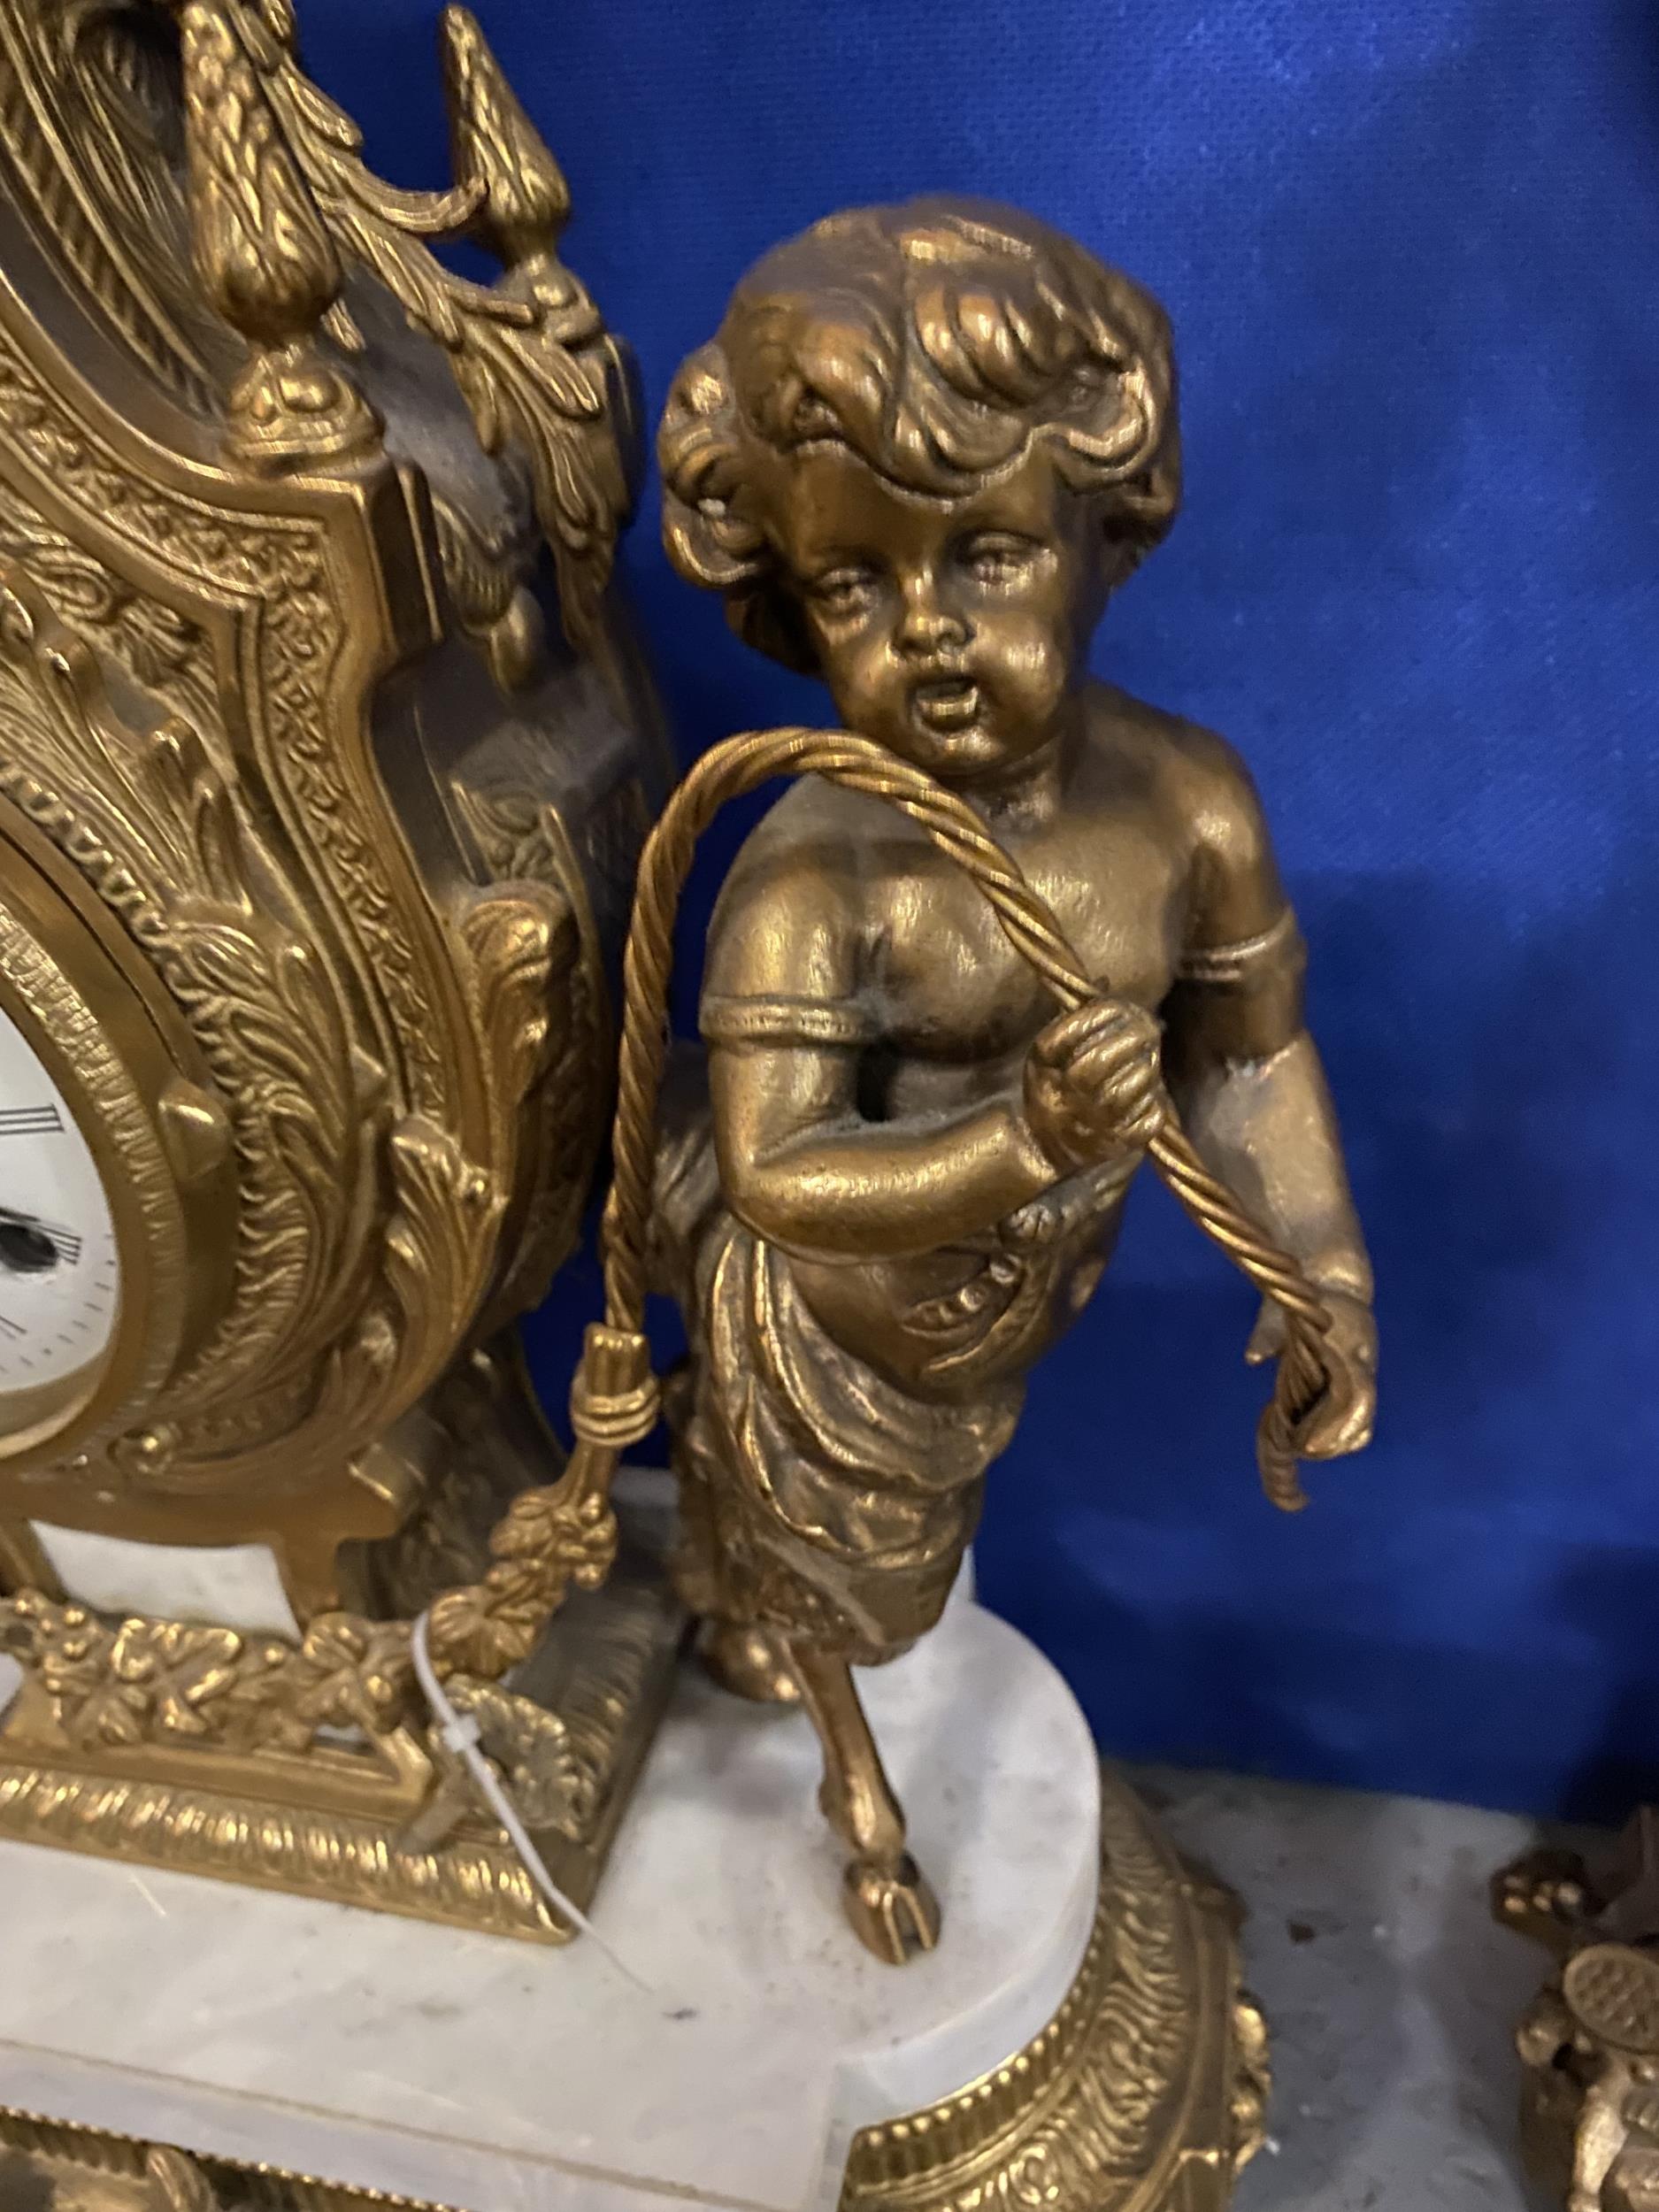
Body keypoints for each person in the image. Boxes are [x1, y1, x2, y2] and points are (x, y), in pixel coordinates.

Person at [652, 198, 1376, 1962]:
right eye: (854, 582)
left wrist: (1320, 1268)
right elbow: (775, 1174)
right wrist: (1019, 1135)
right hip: (831, 1326)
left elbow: (1248, 1050)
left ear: (1096, 533)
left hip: (1001, 1319)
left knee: (907, 1569)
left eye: (983, 553)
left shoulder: (1184, 806)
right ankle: (857, 1792)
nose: (929, 626)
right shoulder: (809, 881)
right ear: (787, 600)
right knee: (842, 1593)